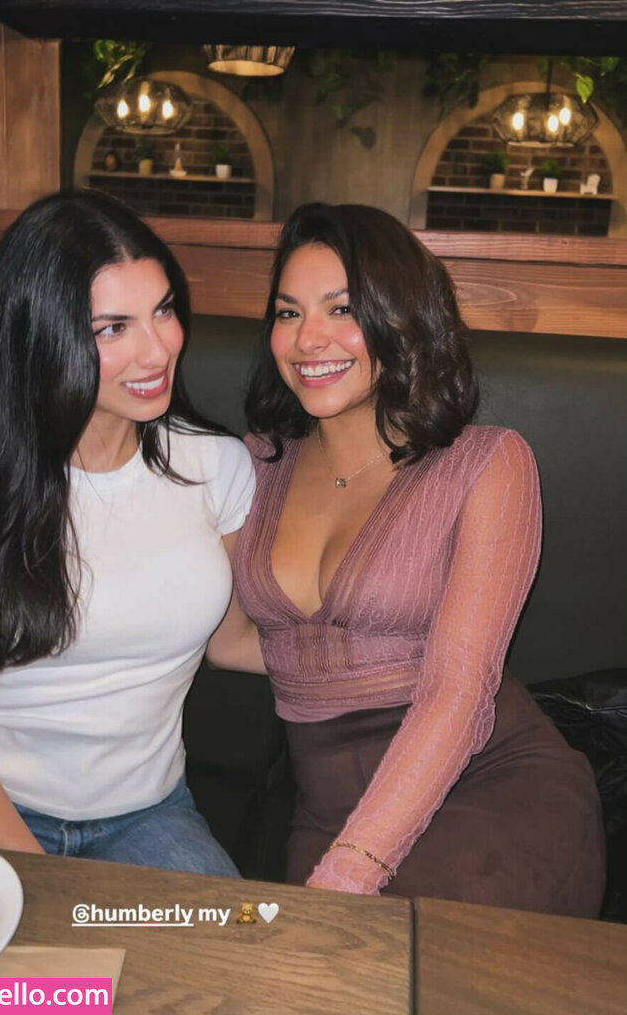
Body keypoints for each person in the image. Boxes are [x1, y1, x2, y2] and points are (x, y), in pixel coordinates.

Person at [209, 202, 605, 915]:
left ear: (401, 317)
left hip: (486, 789)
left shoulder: (485, 462)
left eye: (341, 309)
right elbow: (227, 641)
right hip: (326, 812)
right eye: (288, 312)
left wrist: (349, 870)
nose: (308, 338)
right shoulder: (255, 464)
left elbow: (458, 689)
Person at [0, 189, 254, 875]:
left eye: (164, 310)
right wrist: (39, 879)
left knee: (235, 944)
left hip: (148, 815)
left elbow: (234, 641)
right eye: (113, 328)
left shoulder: (217, 468)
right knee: (36, 954)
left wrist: (396, 654)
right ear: (41, 337)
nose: (157, 349)